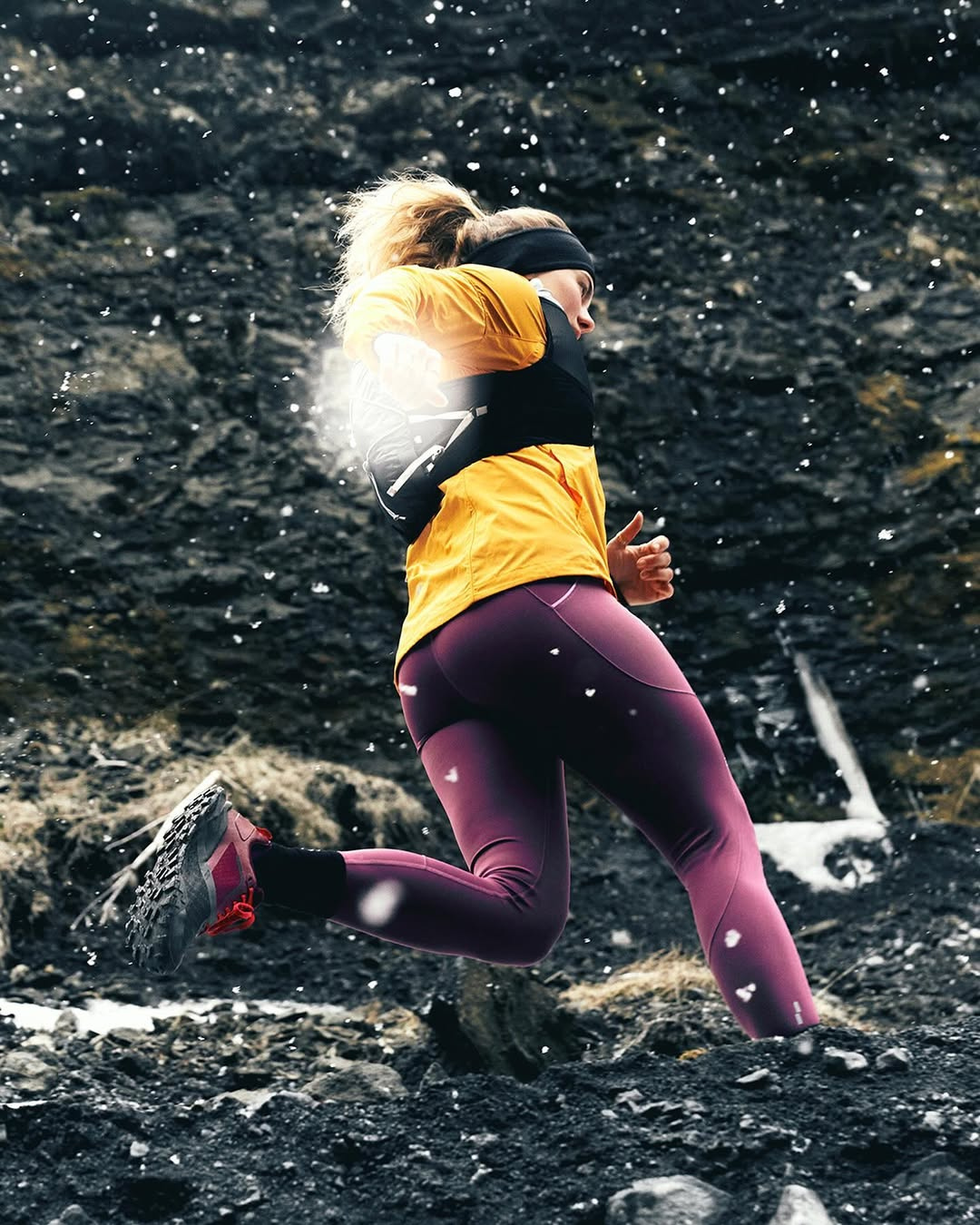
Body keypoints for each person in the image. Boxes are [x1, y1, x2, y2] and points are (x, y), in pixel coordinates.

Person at [127, 172, 818, 1040]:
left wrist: (604, 573)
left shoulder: (496, 394)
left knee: (520, 915)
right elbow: (390, 295)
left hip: (443, 662)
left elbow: (490, 518)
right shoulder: (521, 303)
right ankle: (801, 1061)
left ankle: (253, 866)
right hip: (530, 615)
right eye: (586, 288)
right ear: (538, 268)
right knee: (714, 839)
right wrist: (393, 350)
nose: (590, 316)